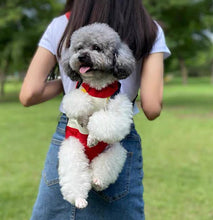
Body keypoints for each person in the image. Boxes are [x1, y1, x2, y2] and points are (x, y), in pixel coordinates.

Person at [19, 0, 171, 219]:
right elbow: (152, 107)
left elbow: (29, 93)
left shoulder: (61, 25)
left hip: (71, 133)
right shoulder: (148, 28)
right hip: (115, 138)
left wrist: (71, 84)